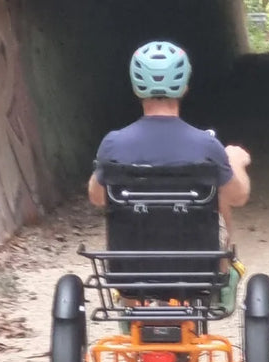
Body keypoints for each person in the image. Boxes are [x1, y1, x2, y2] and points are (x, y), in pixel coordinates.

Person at [87, 40, 252, 311]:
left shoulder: (113, 144)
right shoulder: (206, 145)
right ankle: (224, 274)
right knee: (218, 196)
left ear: (136, 88)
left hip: (131, 268)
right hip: (197, 267)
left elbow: (97, 197)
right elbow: (238, 196)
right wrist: (235, 161)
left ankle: (133, 311)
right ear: (185, 86)